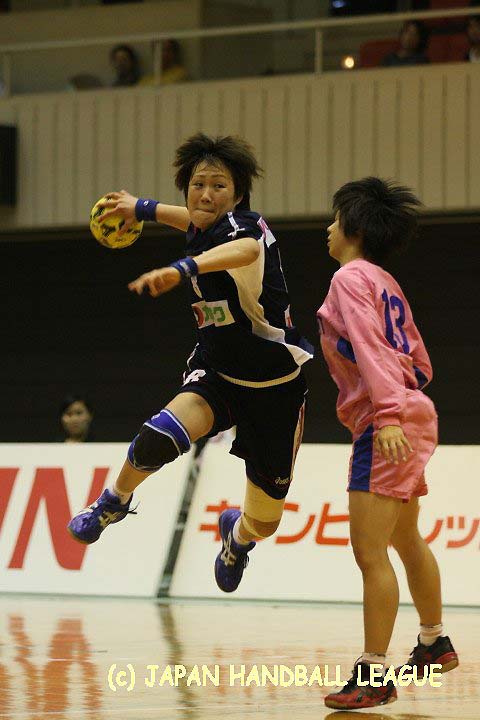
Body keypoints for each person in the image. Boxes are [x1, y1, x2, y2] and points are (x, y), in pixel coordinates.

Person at [67, 133, 312, 594]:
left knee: (265, 520)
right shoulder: (206, 223)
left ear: (237, 195)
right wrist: (142, 208)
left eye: (219, 186)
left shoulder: (246, 229)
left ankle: (237, 539)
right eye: (198, 184)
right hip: (218, 372)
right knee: (158, 436)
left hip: (275, 386)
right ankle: (113, 500)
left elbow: (245, 250)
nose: (205, 195)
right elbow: (193, 219)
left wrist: (182, 268)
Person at [317, 178, 458, 710]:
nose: (328, 229)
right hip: (413, 412)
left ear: (353, 228)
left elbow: (372, 348)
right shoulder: (386, 281)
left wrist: (388, 414)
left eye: (335, 220)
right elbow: (420, 363)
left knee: (370, 553)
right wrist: (403, 401)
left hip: (387, 422)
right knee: (405, 537)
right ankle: (434, 641)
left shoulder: (348, 277)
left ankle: (373, 674)